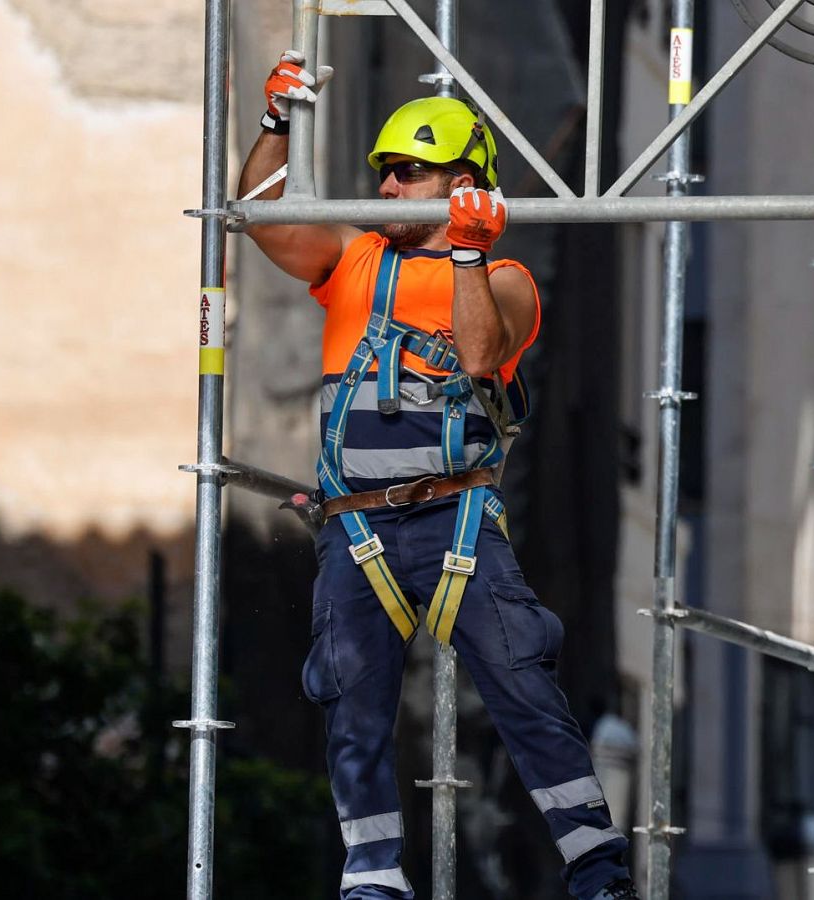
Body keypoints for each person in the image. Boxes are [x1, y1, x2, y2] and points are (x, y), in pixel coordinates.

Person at [239, 51, 640, 900]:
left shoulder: (504, 279)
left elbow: (485, 351)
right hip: (358, 530)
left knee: (526, 693)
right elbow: (262, 221)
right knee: (353, 709)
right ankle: (374, 877)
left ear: (462, 183)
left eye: (406, 173)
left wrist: (462, 254)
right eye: (382, 173)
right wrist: (276, 127)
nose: (384, 189)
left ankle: (597, 869)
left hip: (454, 526)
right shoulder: (351, 261)